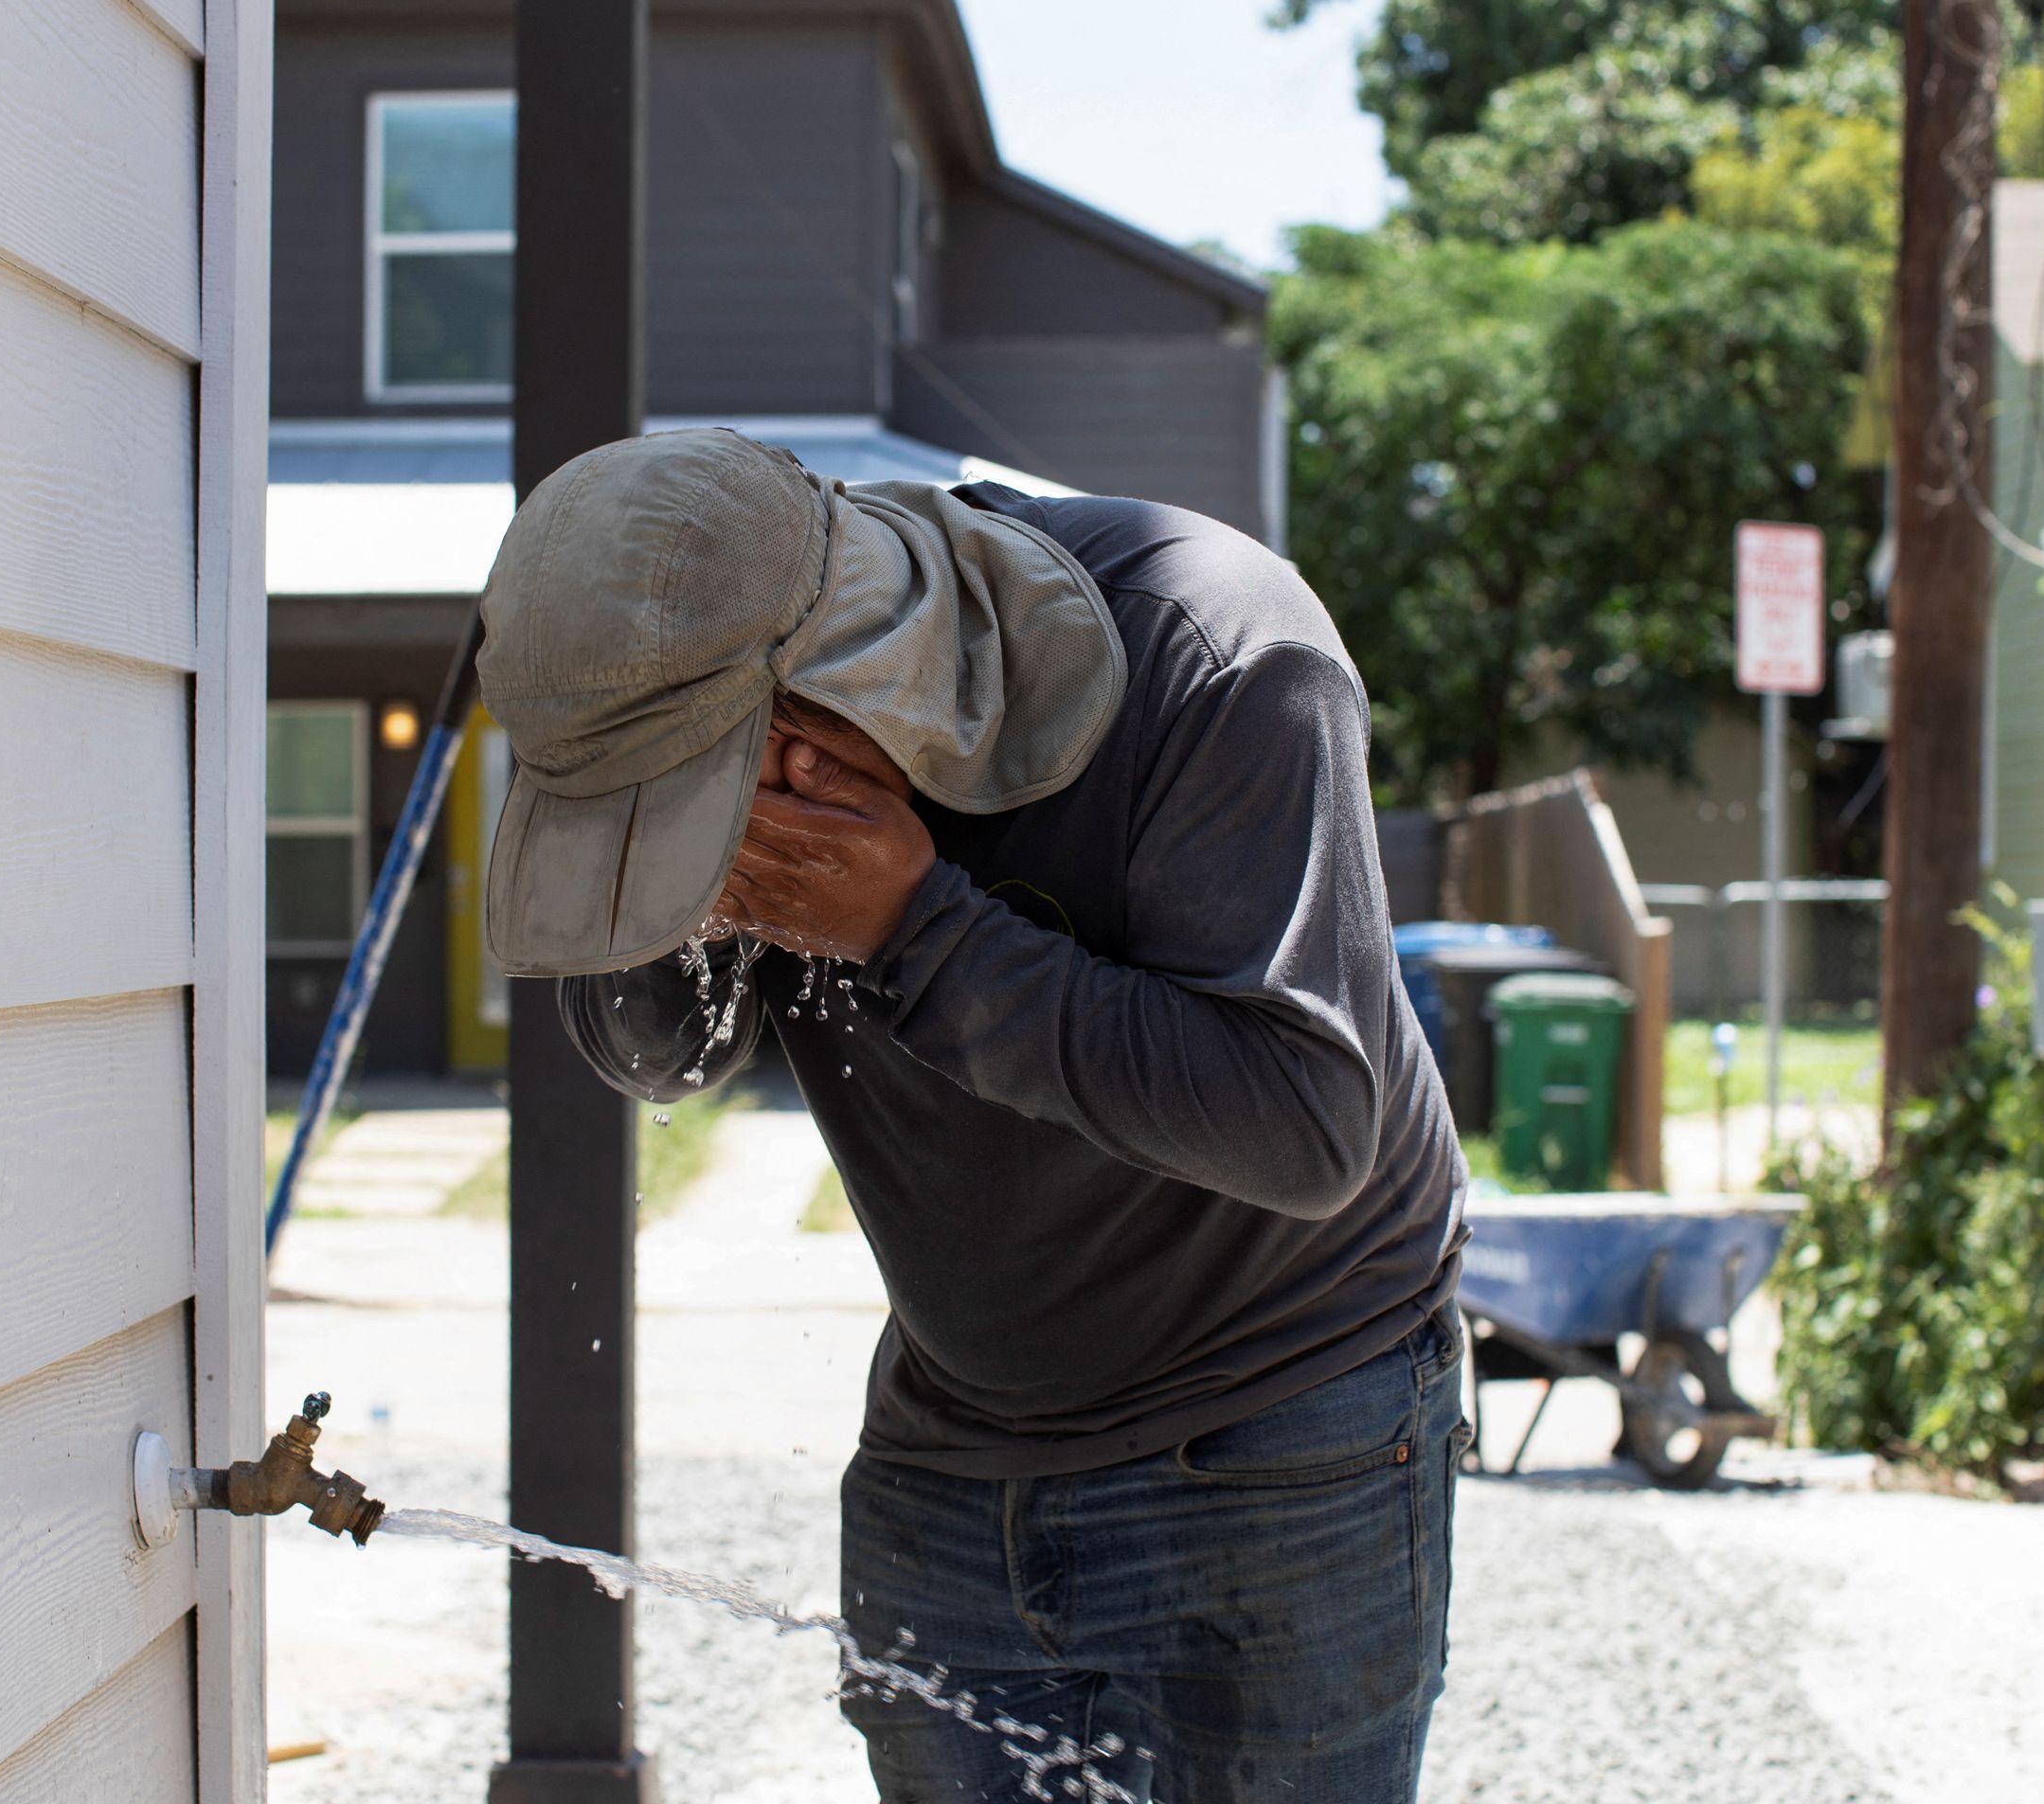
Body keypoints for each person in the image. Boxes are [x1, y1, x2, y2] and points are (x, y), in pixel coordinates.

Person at [476, 427, 1468, 1801]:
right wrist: (676, 894)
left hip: (1281, 1416)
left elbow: (1301, 1126)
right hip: (952, 1444)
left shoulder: (1219, 651)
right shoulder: (710, 689)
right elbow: (660, 1056)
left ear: (837, 684)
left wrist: (910, 928)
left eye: (695, 791)